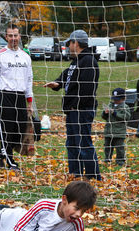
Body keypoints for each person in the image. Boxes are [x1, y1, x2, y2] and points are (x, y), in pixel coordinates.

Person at [43, 29, 101, 181]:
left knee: (83, 143)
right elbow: (67, 76)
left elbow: (88, 89)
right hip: (72, 110)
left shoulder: (88, 61)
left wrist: (76, 105)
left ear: (76, 43)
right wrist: (57, 84)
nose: (68, 46)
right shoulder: (76, 61)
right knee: (72, 144)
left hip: (81, 110)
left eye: (69, 43)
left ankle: (93, 176)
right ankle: (75, 173)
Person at [0, 23, 33, 171]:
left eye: (16, 35)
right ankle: (10, 162)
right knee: (6, 131)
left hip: (20, 98)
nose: (13, 38)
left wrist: (29, 102)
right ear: (6, 37)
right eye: (10, 36)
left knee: (18, 131)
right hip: (4, 96)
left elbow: (29, 80)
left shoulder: (25, 57)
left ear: (19, 36)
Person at [101, 88, 131, 166]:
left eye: (117, 99)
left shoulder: (125, 107)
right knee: (108, 146)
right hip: (109, 131)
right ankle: (107, 159)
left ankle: (120, 161)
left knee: (120, 148)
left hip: (119, 132)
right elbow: (104, 117)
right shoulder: (110, 105)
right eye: (114, 99)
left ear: (123, 99)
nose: (115, 101)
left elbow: (126, 117)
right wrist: (105, 113)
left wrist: (115, 113)